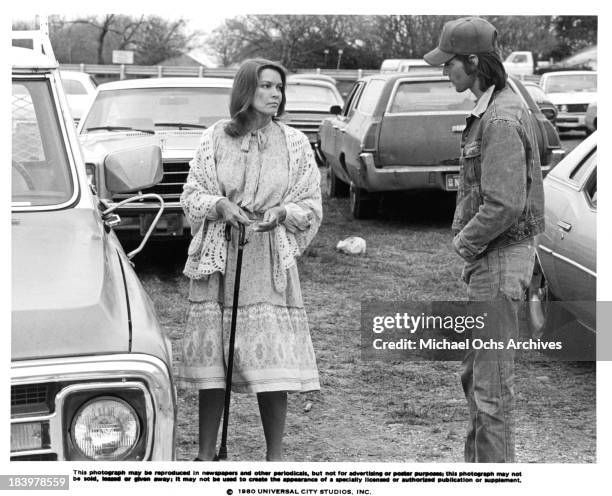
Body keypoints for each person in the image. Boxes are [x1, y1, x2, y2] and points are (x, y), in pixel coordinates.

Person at [178, 58, 322, 461]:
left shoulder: (294, 143)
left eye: (279, 87)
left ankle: (274, 459)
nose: (275, 94)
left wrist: (282, 213)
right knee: (215, 364)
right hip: (220, 260)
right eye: (266, 86)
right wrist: (220, 204)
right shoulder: (214, 139)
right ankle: (206, 455)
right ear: (246, 90)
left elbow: (310, 203)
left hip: (269, 262)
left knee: (271, 364)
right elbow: (191, 195)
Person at [424, 17, 545, 463]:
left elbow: (504, 204)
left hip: (498, 261)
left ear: (472, 61)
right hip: (493, 260)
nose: (444, 71)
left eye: (449, 63)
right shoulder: (493, 109)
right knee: (477, 380)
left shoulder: (499, 119)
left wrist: (464, 243)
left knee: (490, 391)